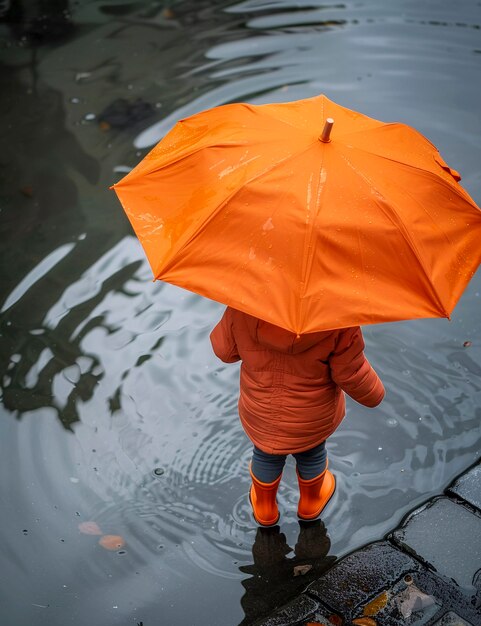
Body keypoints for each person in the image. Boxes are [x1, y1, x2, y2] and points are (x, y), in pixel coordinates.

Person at [210, 306, 385, 526]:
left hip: (261, 409)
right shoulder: (339, 318)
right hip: (312, 417)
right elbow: (350, 373)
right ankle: (311, 503)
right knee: (312, 453)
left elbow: (224, 351)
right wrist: (375, 395)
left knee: (265, 455)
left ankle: (265, 510)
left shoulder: (245, 306)